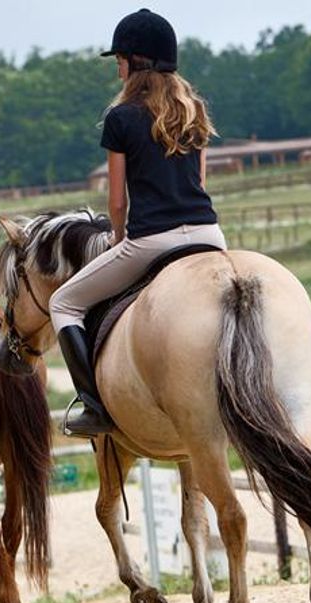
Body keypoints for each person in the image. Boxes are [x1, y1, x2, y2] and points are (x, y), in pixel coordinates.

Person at [49, 8, 226, 438]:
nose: (117, 71)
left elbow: (116, 202)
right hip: (209, 235)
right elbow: (199, 182)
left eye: (119, 62)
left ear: (135, 62)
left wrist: (117, 240)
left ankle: (93, 406)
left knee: (63, 304)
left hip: (150, 241)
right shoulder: (194, 110)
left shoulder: (121, 118)